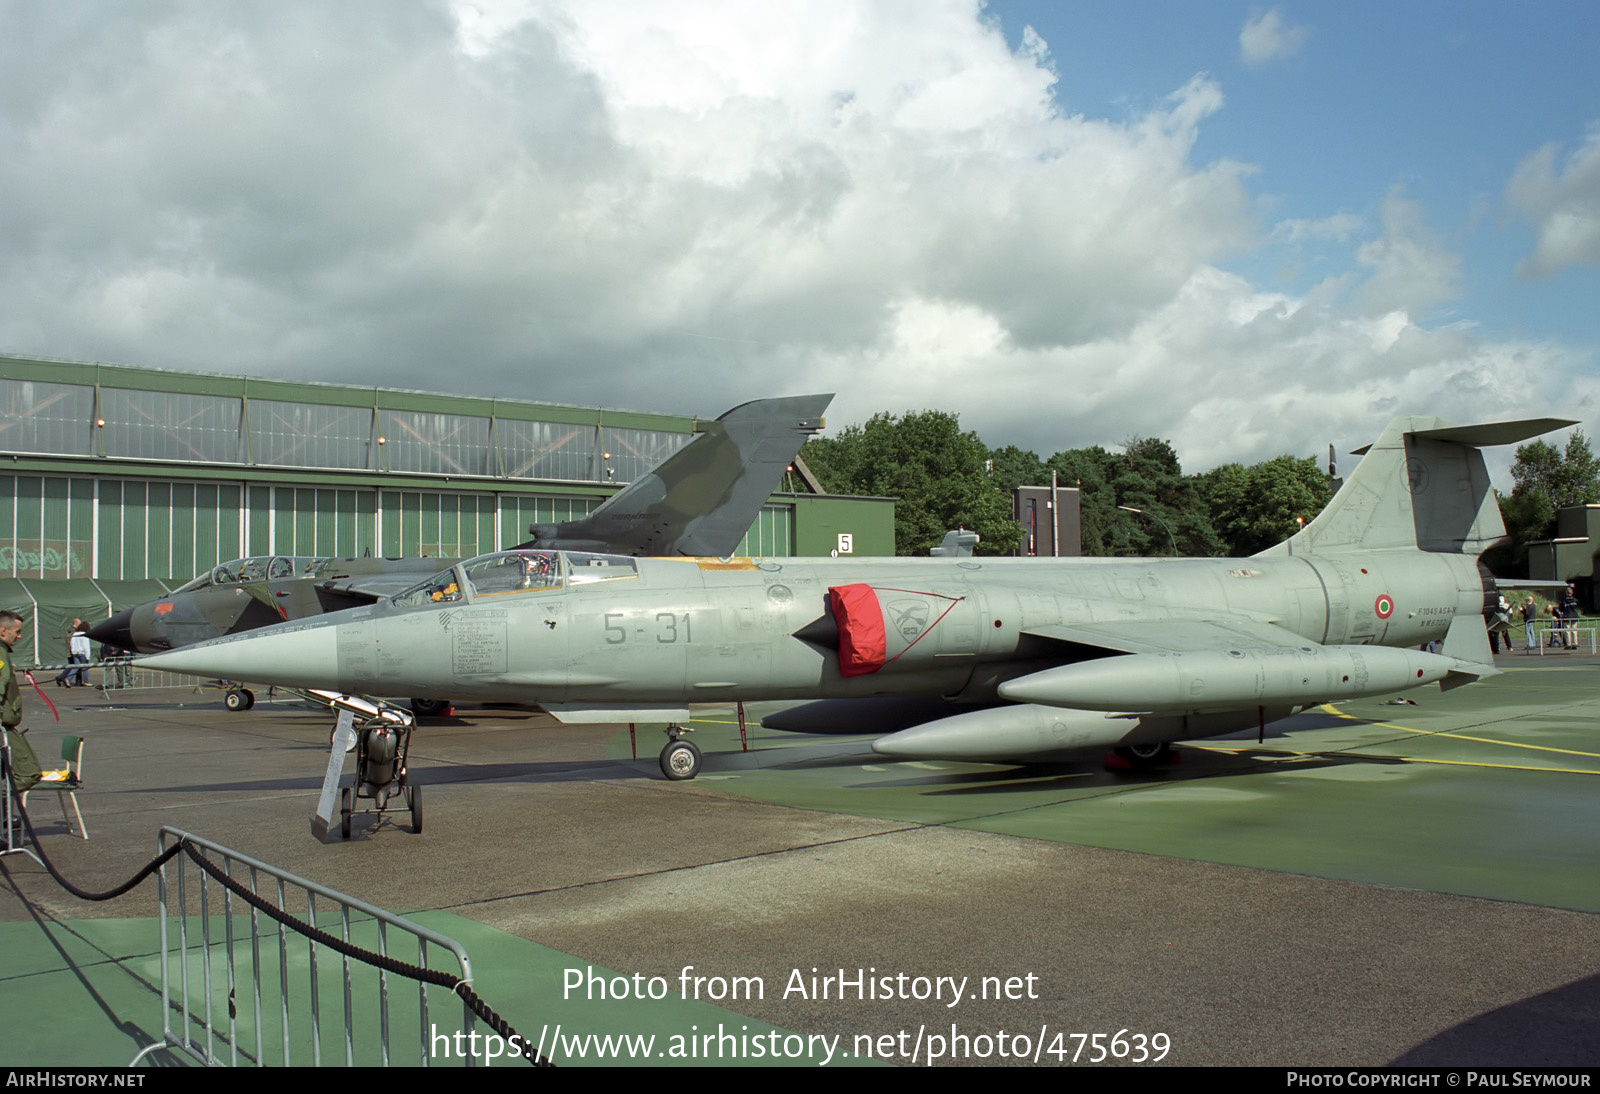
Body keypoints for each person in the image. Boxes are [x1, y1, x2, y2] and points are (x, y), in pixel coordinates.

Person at [0, 610, 42, 804]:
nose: (19, 636)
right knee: (29, 772)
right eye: (17, 632)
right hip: (3, 726)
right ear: (3, 631)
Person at [54, 618, 88, 687]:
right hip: (72, 651)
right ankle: (61, 677)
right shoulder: (73, 632)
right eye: (79, 623)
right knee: (73, 666)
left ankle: (78, 682)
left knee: (76, 667)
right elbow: (71, 642)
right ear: (76, 624)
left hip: (72, 651)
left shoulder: (73, 631)